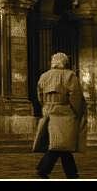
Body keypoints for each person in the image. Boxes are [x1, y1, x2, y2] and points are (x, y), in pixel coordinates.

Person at [33, 52, 87, 180]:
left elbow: (40, 96)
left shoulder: (44, 76)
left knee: (61, 145)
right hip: (65, 114)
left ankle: (72, 174)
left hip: (49, 113)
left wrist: (47, 107)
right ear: (65, 62)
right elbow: (75, 97)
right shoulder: (70, 75)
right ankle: (44, 169)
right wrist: (79, 113)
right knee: (60, 145)